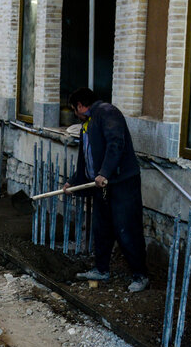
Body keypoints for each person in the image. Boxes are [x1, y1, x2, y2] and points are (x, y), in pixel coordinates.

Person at [63, 87, 150, 292]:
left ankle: (141, 275)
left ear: (80, 106)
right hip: (101, 185)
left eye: (74, 109)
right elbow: (86, 160)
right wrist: (73, 182)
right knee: (102, 228)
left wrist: (105, 172)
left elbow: (115, 144)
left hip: (121, 183)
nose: (75, 114)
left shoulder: (107, 112)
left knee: (126, 228)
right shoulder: (88, 124)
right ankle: (101, 269)